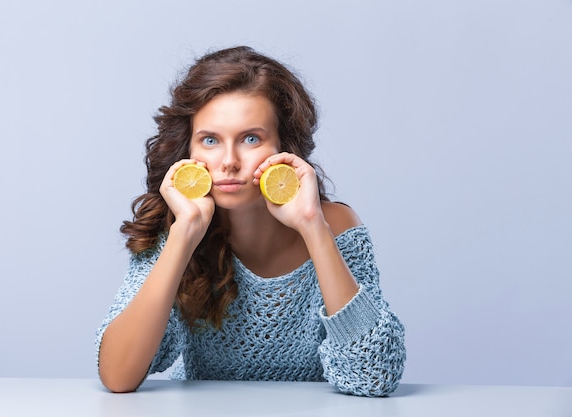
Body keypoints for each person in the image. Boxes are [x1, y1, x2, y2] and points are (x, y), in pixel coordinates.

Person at [95, 46, 406, 397]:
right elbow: (117, 376)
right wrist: (184, 236)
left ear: (283, 146)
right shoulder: (176, 224)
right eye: (210, 140)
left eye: (251, 138)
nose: (228, 161)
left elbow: (375, 376)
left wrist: (312, 227)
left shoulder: (336, 224)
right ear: (190, 150)